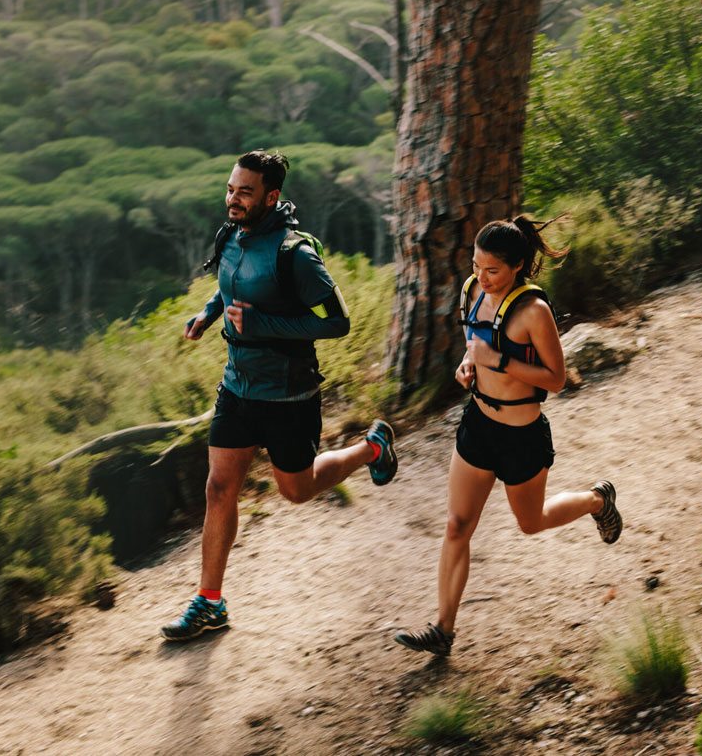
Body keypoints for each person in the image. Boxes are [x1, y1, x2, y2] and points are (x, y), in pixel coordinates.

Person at [161, 149, 398, 642]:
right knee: (219, 488)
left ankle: (371, 448)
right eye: (230, 189)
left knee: (296, 489)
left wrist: (263, 323)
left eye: (244, 192)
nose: (233, 199)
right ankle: (210, 602)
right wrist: (209, 314)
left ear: (272, 196)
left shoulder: (296, 254)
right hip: (237, 388)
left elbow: (336, 321)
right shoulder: (233, 236)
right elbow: (232, 287)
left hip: (290, 396)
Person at [393, 216, 621, 657]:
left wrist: (496, 361)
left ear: (517, 266)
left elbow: (556, 378)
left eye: (492, 270)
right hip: (478, 424)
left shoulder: (534, 311)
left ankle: (598, 500)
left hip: (521, 436)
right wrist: (470, 365)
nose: (481, 277)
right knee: (458, 526)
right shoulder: (472, 291)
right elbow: (477, 343)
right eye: (476, 265)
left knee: (530, 523)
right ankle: (443, 629)